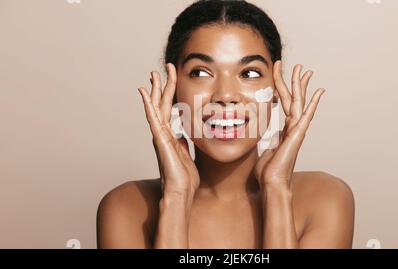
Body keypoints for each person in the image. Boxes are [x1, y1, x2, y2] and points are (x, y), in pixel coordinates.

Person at [97, 0, 354, 249]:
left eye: (249, 73)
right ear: (172, 90)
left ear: (276, 89)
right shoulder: (127, 208)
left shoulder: (326, 199)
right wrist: (176, 198)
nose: (225, 95)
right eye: (200, 73)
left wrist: (276, 190)